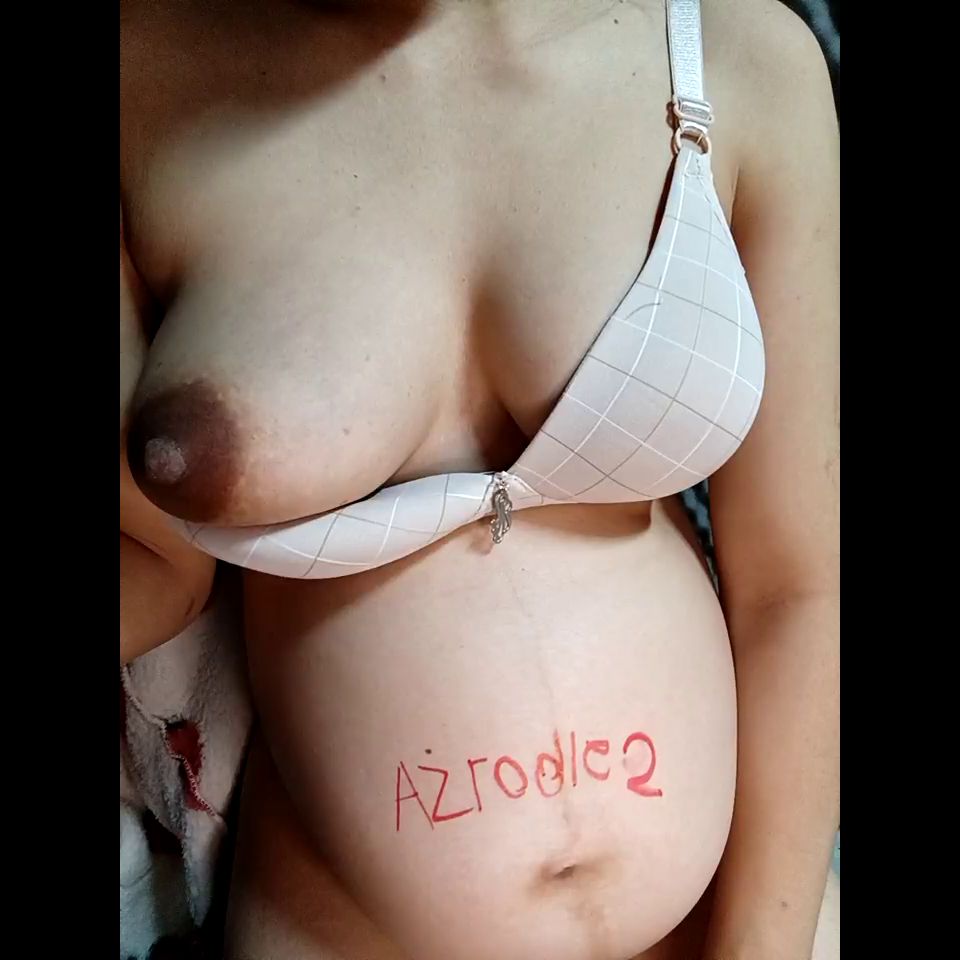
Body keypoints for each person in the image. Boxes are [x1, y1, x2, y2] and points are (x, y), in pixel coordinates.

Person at [120, 1, 839, 957]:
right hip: (342, 923)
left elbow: (797, 587)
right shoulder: (142, 74)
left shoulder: (739, 54)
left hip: (734, 917)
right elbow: (157, 573)